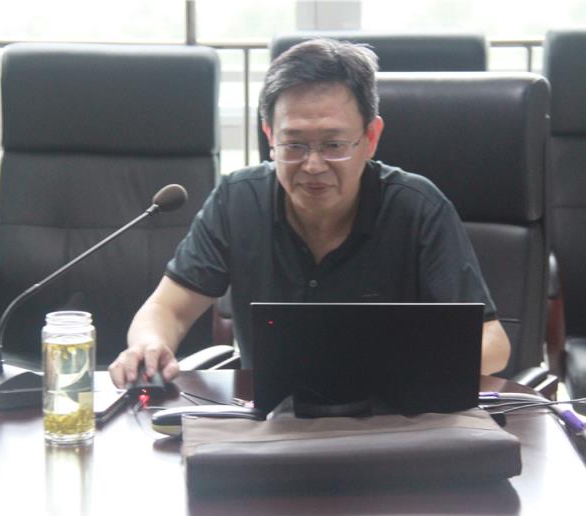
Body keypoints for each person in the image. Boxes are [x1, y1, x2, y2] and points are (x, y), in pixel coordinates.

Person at [109, 38, 510, 388]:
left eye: (334, 145)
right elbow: (168, 309)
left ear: (371, 137)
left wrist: (400, 365)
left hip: (392, 418)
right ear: (270, 136)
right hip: (271, 423)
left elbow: (492, 343)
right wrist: (149, 344)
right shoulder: (238, 200)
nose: (313, 165)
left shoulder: (418, 208)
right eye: (294, 145)